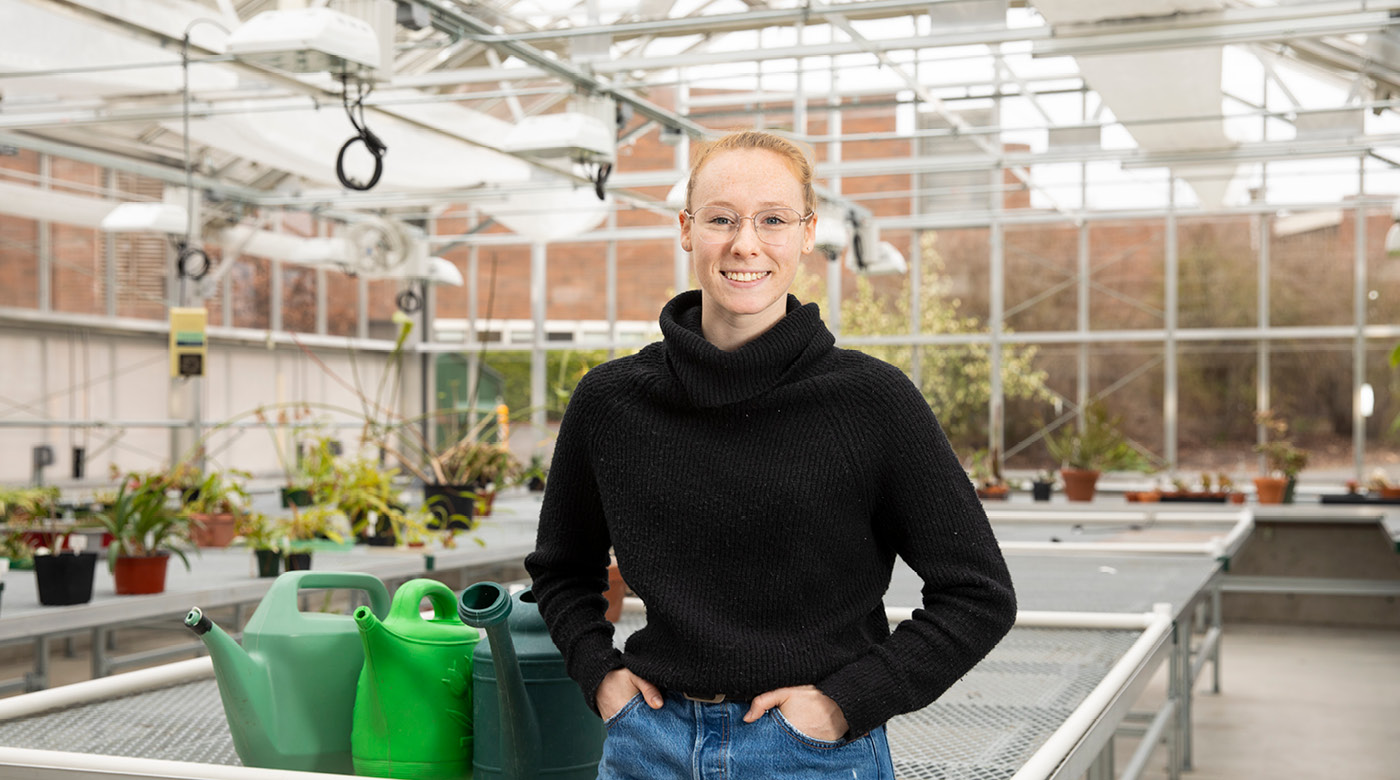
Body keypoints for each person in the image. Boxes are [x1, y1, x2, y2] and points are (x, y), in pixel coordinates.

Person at [524, 130, 1016, 779]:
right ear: (686, 229)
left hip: (813, 754)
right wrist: (600, 677)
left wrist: (844, 705)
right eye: (720, 219)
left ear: (808, 233)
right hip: (650, 745)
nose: (744, 244)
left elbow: (978, 595)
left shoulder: (871, 401)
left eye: (773, 220)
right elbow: (562, 570)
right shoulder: (612, 402)